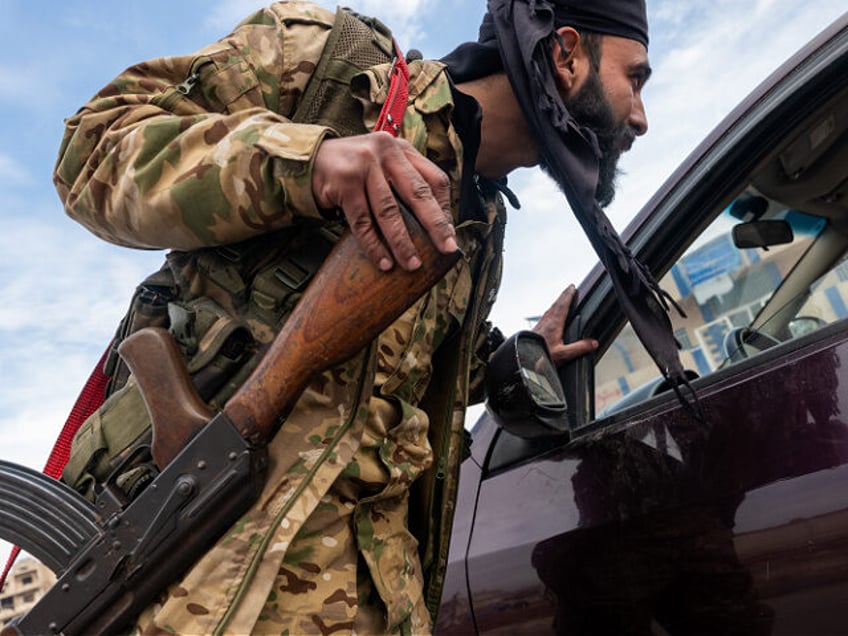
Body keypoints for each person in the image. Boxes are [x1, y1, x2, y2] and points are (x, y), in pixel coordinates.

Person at [53, 0, 669, 633]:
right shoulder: (326, 65)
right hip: (187, 587)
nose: (642, 118)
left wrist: (513, 358)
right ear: (566, 54)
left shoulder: (481, 221)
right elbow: (89, 150)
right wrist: (307, 163)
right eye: (637, 78)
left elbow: (393, 373)